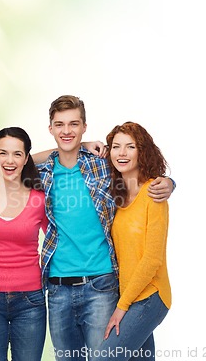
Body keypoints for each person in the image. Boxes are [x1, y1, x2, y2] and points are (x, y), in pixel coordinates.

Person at [36, 95, 175, 361]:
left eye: (74, 124)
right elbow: (7, 164)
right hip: (57, 289)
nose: (67, 131)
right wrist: (72, 147)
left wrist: (170, 182)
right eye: (60, 125)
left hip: (101, 286)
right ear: (50, 128)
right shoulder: (43, 172)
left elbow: (139, 169)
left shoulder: (102, 166)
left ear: (85, 126)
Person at [95, 122, 171, 361]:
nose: (122, 153)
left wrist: (122, 306)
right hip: (128, 295)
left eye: (130, 147)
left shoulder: (154, 194)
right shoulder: (116, 195)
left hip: (150, 296)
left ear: (143, 151)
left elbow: (152, 259)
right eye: (116, 147)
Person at [0, 127, 48, 361]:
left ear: (26, 159)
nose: (9, 160)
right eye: (3, 153)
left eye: (17, 154)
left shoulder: (39, 198)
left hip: (30, 301)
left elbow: (59, 242)